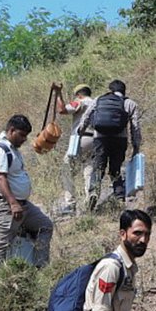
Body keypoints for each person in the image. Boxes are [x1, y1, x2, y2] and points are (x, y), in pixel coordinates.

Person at [0, 114, 53, 268]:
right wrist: (13, 203)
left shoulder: (13, 149)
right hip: (7, 205)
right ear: (11, 130)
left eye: (26, 136)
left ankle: (40, 268)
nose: (24, 139)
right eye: (22, 135)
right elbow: (0, 178)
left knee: (45, 226)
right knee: (2, 244)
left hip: (22, 204)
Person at [80, 79, 142, 209]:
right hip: (120, 139)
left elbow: (86, 116)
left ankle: (93, 192)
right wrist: (136, 146)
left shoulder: (99, 99)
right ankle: (119, 196)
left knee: (98, 167)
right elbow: (135, 127)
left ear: (111, 90)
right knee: (116, 169)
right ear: (124, 91)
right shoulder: (130, 103)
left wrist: (81, 130)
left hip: (100, 138)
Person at [57, 84, 95, 214]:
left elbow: (62, 110)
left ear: (79, 94)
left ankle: (70, 203)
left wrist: (58, 94)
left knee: (66, 167)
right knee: (88, 168)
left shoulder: (80, 102)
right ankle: (90, 195)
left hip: (80, 140)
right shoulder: (97, 103)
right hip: (95, 140)